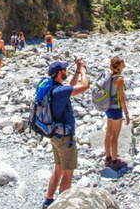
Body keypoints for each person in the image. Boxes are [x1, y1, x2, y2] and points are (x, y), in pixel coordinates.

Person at [44, 59, 89, 208]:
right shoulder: (60, 91)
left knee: (58, 169)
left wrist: (76, 71)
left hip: (55, 136)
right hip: (65, 138)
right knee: (68, 173)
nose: (65, 71)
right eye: (64, 70)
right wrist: (83, 70)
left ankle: (48, 201)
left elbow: (70, 86)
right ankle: (62, 206)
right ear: (59, 73)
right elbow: (84, 86)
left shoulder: (53, 89)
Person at [103, 56, 130, 170]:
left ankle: (108, 157)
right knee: (115, 135)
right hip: (115, 110)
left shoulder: (110, 75)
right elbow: (121, 99)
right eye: (122, 61)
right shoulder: (119, 79)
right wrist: (126, 113)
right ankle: (115, 160)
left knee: (108, 132)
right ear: (119, 65)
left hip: (108, 108)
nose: (124, 62)